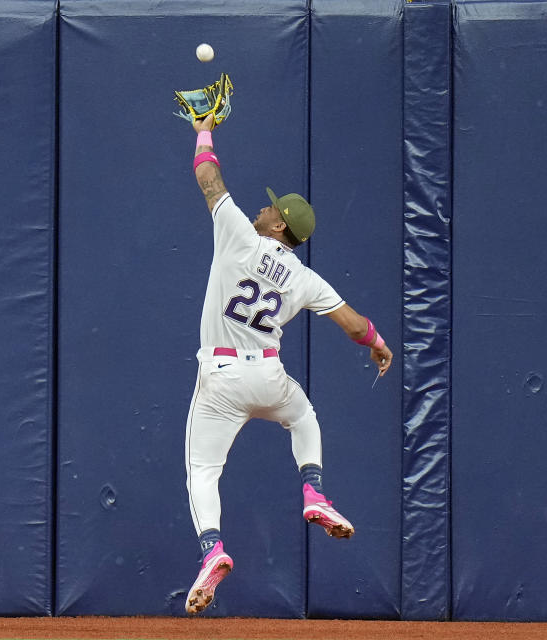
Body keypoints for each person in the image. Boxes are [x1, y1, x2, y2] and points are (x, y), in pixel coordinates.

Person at [182, 112, 394, 615]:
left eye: (271, 207)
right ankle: (314, 490)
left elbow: (208, 177)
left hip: (222, 376)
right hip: (269, 375)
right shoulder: (304, 278)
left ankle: (213, 548)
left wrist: (203, 132)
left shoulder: (239, 234)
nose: (263, 207)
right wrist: (379, 342)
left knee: (203, 471)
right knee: (303, 416)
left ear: (278, 225)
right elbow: (351, 322)